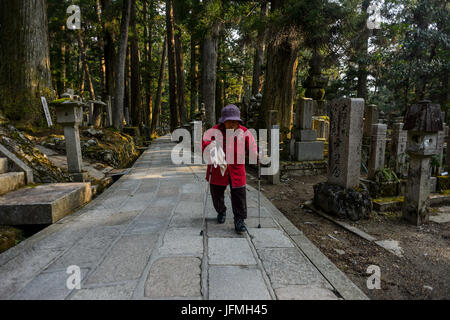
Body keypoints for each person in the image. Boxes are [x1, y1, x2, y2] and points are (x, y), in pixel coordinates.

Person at [201, 104, 258, 234]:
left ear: (238, 122)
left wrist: (257, 155)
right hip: (217, 169)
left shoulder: (244, 132)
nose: (232, 124)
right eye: (229, 122)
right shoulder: (213, 131)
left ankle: (239, 220)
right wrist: (210, 147)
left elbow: (253, 146)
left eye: (235, 122)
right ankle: (221, 210)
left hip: (237, 169)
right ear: (223, 121)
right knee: (216, 194)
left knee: (239, 195)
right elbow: (205, 144)